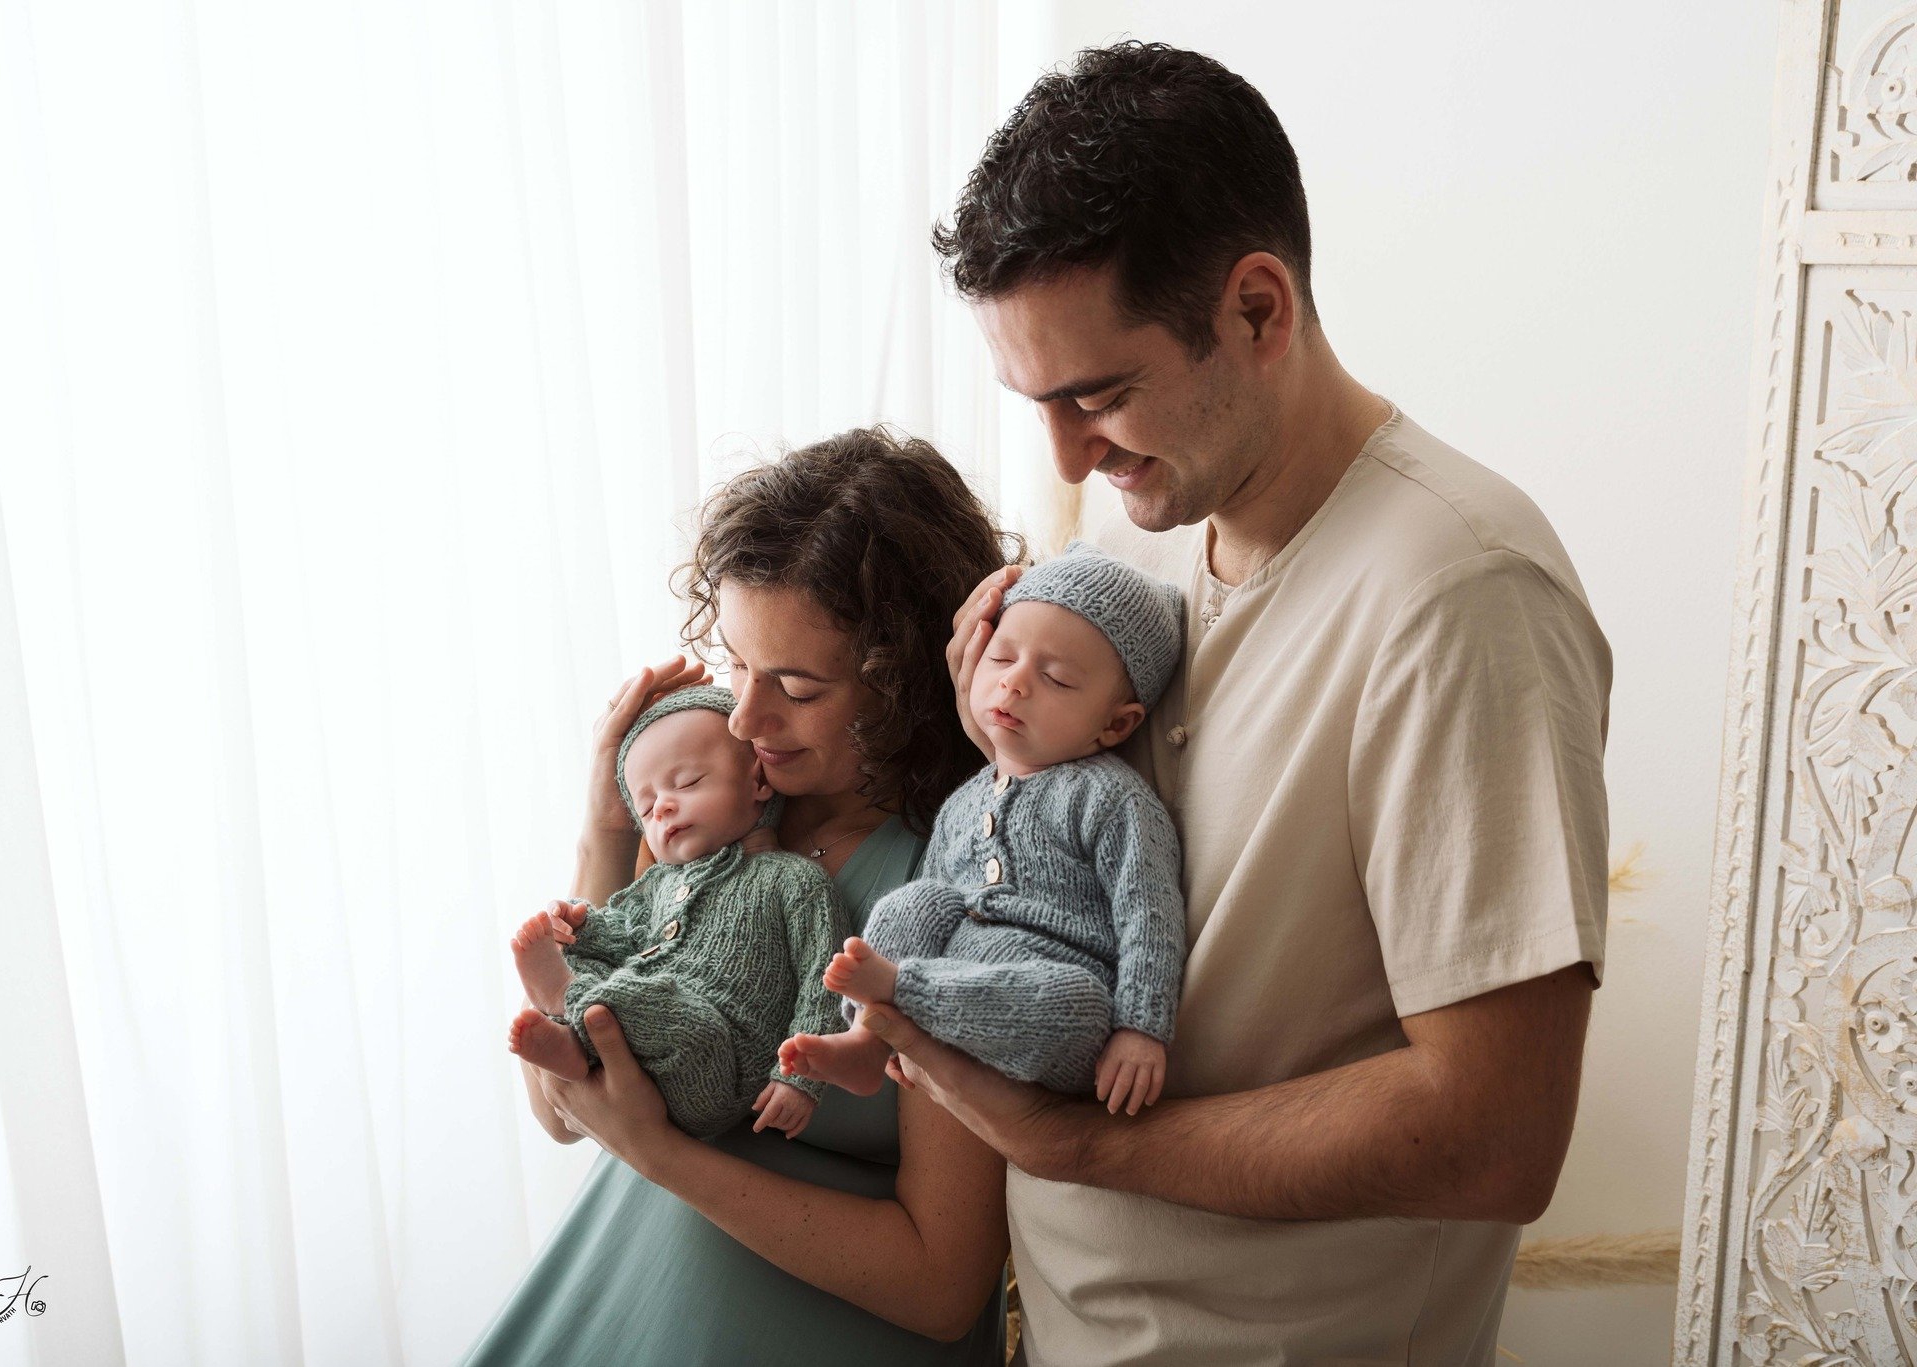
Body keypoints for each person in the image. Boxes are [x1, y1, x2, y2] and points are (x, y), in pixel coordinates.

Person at [853, 41, 1614, 1366]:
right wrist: (1011, 749)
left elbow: (1495, 1132)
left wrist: (1079, 1141)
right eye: (1038, 403)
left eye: (1097, 394)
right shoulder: (1137, 553)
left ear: (1259, 310)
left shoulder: (1462, 592)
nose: (1069, 455)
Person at [463, 427, 1015, 1364]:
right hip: (593, 1315)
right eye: (737, 662)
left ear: (908, 681)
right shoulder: (707, 819)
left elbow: (943, 1284)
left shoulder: (963, 884)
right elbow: (559, 1111)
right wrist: (604, 828)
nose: (748, 718)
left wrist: (665, 1155)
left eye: (795, 684)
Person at [781, 543, 1187, 1115]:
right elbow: (935, 902)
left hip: (1055, 990)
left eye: (1057, 679)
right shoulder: (966, 800)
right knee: (915, 900)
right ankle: (867, 1042)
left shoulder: (1109, 796)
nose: (1014, 684)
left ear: (1115, 725)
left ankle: (899, 994)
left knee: (1077, 1003)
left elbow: (1148, 911)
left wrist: (1143, 1028)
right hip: (956, 973)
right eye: (1001, 659)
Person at [507, 686, 842, 1141]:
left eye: (686, 783)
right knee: (592, 961)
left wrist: (801, 1077)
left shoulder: (792, 880)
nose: (663, 805)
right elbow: (627, 936)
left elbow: (825, 981)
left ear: (758, 782)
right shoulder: (659, 882)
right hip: (637, 1064)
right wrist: (584, 927)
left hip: (717, 1063)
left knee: (673, 1012)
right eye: (646, 807)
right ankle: (575, 1039)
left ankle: (571, 1004)